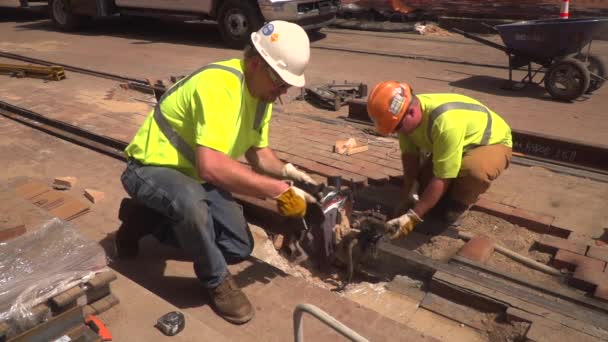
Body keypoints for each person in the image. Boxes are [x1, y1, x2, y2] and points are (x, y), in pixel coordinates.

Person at [116, 21, 318, 325]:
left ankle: (145, 218)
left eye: (287, 85)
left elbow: (259, 154)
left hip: (192, 178)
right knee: (191, 204)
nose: (283, 91)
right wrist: (276, 190)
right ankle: (216, 282)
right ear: (254, 65)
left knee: (237, 247)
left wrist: (290, 173)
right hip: (151, 168)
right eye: (280, 82)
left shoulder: (262, 96)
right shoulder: (219, 85)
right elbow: (211, 167)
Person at [366, 81, 512, 239]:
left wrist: (412, 218)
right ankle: (442, 193)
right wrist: (408, 190)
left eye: (396, 128)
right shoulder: (405, 117)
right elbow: (410, 156)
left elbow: (443, 177)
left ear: (412, 112)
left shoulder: (445, 122)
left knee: (473, 172)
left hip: (489, 142)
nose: (396, 132)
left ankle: (458, 206)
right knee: (424, 190)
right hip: (455, 141)